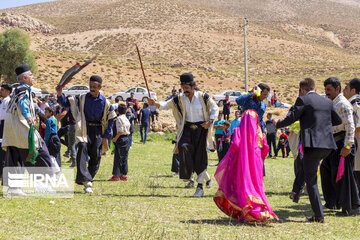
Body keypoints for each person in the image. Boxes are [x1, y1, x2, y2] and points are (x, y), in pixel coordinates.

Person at [275, 78, 342, 223]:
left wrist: (277, 124)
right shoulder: (327, 102)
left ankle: (319, 216)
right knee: (306, 167)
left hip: (313, 145)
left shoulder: (303, 100)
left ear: (302, 90)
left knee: (311, 180)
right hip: (329, 145)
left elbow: (291, 119)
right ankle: (296, 191)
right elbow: (337, 120)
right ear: (315, 88)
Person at [149, 73, 219, 197]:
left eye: (187, 88)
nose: (185, 90)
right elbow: (166, 105)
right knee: (183, 147)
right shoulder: (179, 98)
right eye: (183, 88)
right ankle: (189, 175)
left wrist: (210, 121)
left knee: (200, 157)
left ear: (193, 86)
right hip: (186, 129)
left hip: (201, 129)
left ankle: (200, 187)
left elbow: (215, 108)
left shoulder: (203, 97)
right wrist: (155, 104)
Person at [214, 110, 278, 221]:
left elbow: (235, 145)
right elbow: (266, 148)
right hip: (256, 165)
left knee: (242, 185)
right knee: (256, 185)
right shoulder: (260, 134)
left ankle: (245, 210)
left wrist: (233, 158)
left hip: (241, 165)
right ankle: (259, 210)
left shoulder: (238, 131)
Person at [56, 75, 116, 193]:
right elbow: (67, 103)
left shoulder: (106, 102)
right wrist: (59, 94)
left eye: (94, 87)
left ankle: (87, 179)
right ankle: (85, 179)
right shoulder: (82, 98)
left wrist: (106, 136)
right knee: (82, 147)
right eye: (90, 86)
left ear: (100, 87)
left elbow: (110, 120)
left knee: (96, 156)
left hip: (98, 131)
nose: (92, 89)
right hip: (84, 128)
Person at [2, 64, 56, 196]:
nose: (33, 77)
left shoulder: (17, 88)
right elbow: (23, 103)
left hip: (11, 127)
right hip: (21, 125)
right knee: (40, 151)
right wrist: (28, 117)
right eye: (31, 75)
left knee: (15, 155)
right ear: (25, 77)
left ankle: (14, 189)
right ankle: (41, 184)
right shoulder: (23, 89)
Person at [320, 77, 360, 216]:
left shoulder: (342, 104)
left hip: (343, 143)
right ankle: (334, 202)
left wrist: (348, 146)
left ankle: (351, 207)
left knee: (344, 177)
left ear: (337, 89)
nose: (327, 92)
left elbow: (350, 125)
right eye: (325, 89)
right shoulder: (333, 103)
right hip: (334, 143)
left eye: (329, 89)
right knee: (327, 169)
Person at [343, 78, 360, 191]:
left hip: (357, 141)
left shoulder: (355, 102)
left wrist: (351, 139)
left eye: (346, 88)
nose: (344, 90)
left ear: (353, 90)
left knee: (357, 172)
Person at [109, 104, 131, 181]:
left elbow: (120, 131)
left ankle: (116, 175)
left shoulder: (118, 119)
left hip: (120, 138)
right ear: (125, 111)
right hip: (127, 138)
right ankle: (123, 175)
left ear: (117, 111)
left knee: (118, 157)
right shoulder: (126, 118)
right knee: (124, 157)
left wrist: (114, 139)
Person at [0, 83, 12, 178]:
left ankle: (3, 171)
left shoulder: (8, 101)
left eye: (2, 89)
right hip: (1, 124)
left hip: (5, 124)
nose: (0, 91)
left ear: (8, 92)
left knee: (3, 149)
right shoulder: (3, 101)